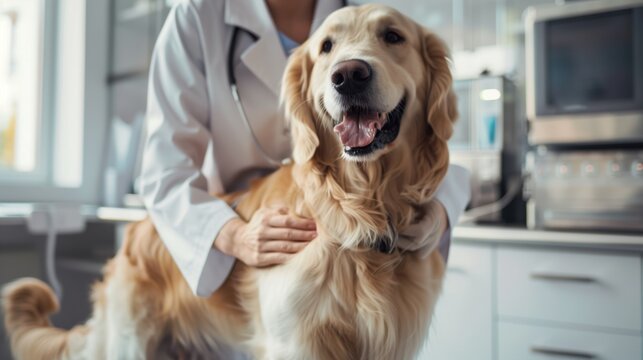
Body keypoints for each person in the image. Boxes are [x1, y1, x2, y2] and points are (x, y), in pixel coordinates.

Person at [141, 0, 470, 357]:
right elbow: (164, 170)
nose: (350, 68)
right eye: (327, 47)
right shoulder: (198, 16)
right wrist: (234, 235)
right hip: (237, 243)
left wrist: (439, 210)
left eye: (391, 37)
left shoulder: (354, 10)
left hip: (365, 219)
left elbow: (431, 143)